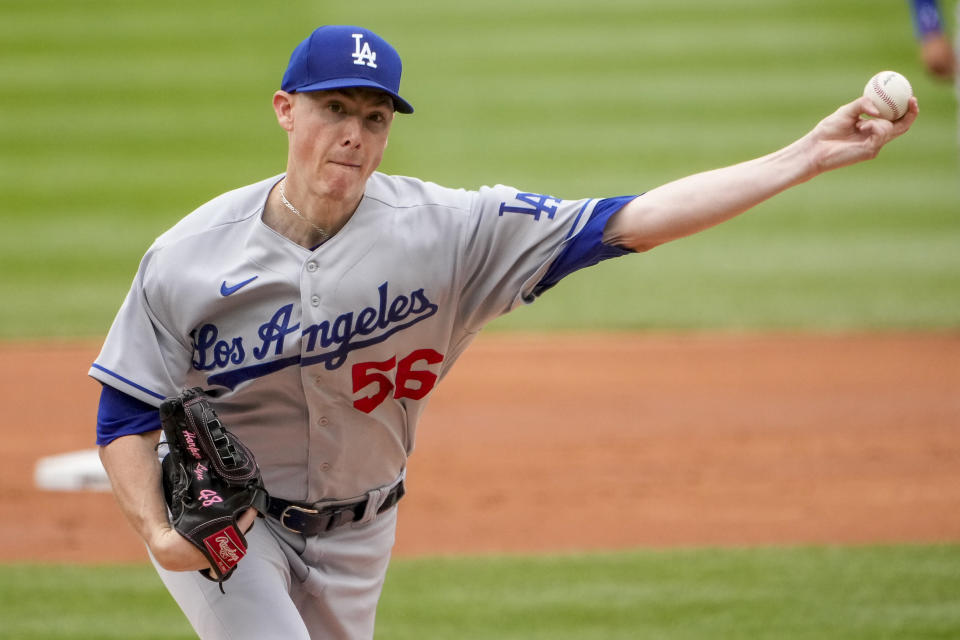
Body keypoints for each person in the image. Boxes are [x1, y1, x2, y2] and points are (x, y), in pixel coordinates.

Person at [91, 24, 918, 640]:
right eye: (334, 109)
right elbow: (125, 406)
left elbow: (630, 222)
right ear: (285, 111)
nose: (354, 134)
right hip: (235, 528)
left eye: (375, 117)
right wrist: (159, 532)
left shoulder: (448, 230)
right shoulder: (189, 256)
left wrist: (806, 154)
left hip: (363, 529)